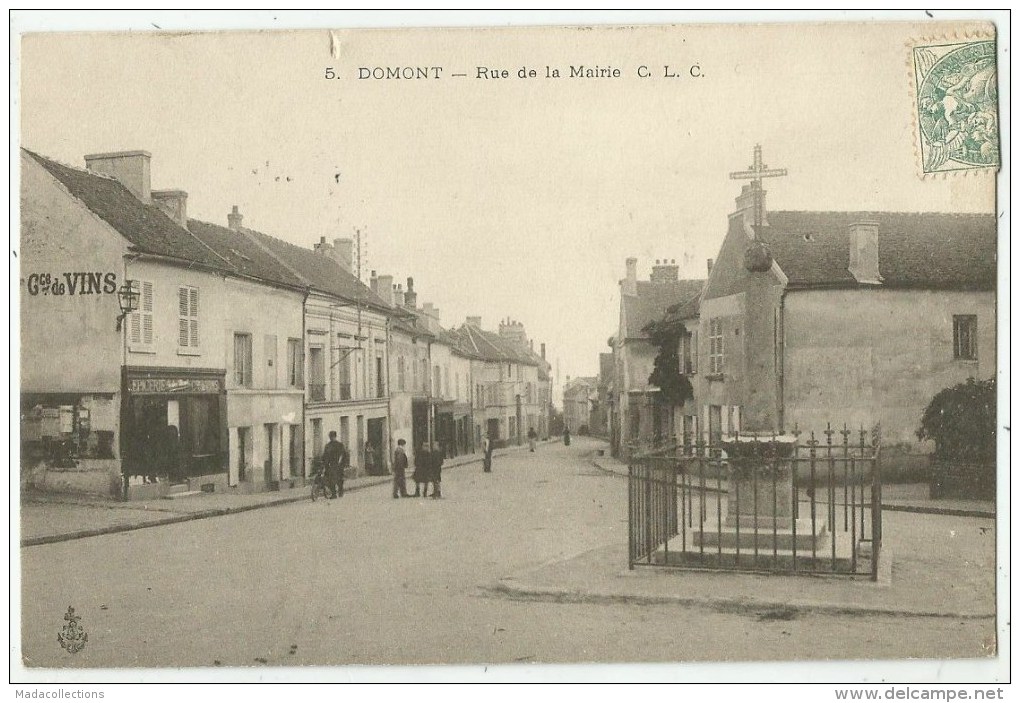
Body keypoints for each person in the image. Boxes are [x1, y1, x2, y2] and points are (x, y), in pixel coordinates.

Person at [322, 431, 345, 499]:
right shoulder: (328, 445)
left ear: (335, 436)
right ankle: (334, 494)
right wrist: (324, 462)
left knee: (339, 479)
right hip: (330, 465)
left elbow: (343, 455)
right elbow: (325, 455)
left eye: (332, 436)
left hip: (338, 465)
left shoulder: (339, 445)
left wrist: (341, 463)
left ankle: (340, 490)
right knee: (330, 480)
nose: (331, 438)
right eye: (330, 436)